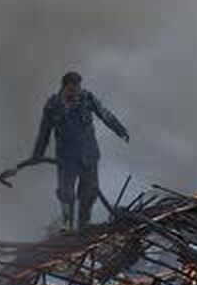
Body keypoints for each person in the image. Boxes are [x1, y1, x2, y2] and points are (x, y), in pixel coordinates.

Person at [30, 71, 129, 232]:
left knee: (88, 194)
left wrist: (120, 130)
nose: (75, 94)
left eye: (77, 90)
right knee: (66, 194)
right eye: (71, 90)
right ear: (64, 88)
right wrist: (37, 155)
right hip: (66, 159)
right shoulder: (52, 105)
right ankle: (67, 226)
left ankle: (83, 226)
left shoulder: (87, 98)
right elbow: (44, 132)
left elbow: (105, 115)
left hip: (88, 155)